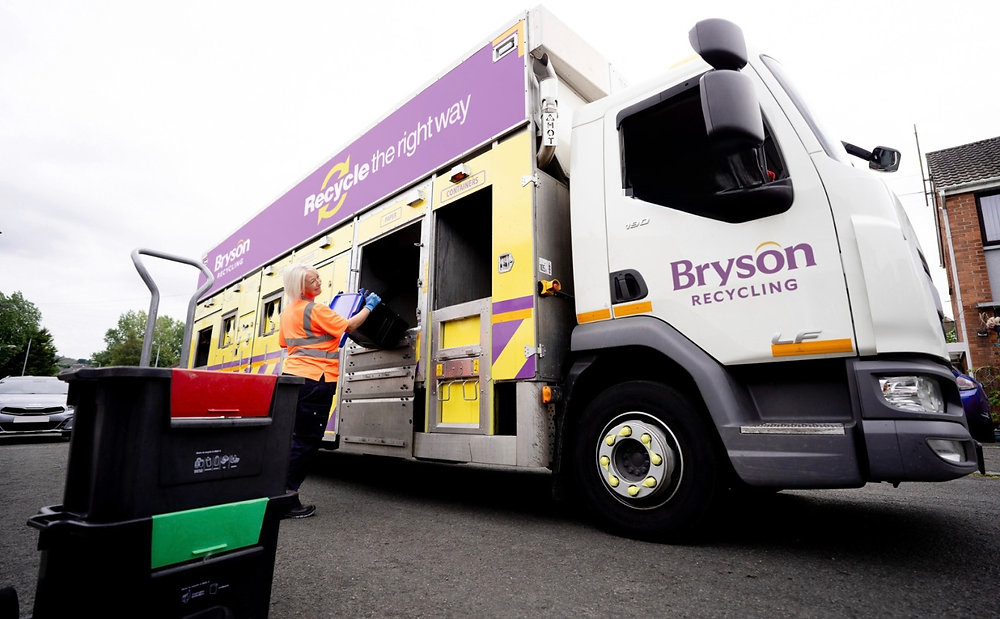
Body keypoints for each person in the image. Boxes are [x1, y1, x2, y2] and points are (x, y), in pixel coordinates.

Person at [278, 263, 380, 519]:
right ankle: (287, 499)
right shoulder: (315, 309)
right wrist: (369, 306)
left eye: (318, 278)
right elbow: (348, 327)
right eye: (313, 280)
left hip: (293, 377)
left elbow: (285, 343)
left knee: (294, 438)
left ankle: (277, 494)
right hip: (316, 380)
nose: (319, 283)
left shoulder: (289, 311)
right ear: (301, 286)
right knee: (306, 441)